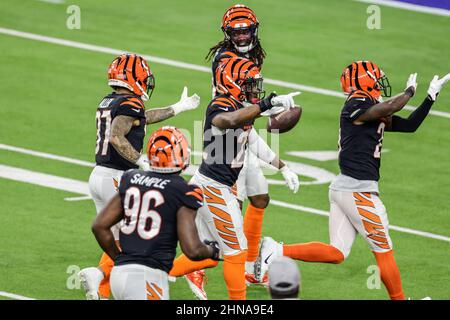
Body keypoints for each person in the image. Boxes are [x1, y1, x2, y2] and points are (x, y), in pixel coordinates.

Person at [256, 60, 450, 300]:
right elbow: (387, 107)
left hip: (345, 188)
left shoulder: (368, 108)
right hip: (358, 191)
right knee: (384, 251)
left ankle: (275, 250)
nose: (380, 84)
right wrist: (409, 92)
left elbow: (409, 125)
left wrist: (430, 97)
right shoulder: (357, 103)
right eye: (376, 80)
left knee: (337, 252)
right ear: (364, 82)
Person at [184, 3, 296, 299]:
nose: (243, 36)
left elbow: (247, 101)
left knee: (257, 197)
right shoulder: (227, 64)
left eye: (247, 30)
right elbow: (230, 111)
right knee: (228, 210)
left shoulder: (246, 61)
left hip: (237, 124)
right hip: (226, 130)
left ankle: (237, 260)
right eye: (237, 31)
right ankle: (201, 262)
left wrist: (281, 162)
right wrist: (263, 107)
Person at [78, 53, 201, 300]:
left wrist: (176, 108)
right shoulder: (129, 104)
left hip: (99, 175)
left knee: (119, 240)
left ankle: (101, 284)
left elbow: (141, 119)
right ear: (134, 78)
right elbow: (116, 135)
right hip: (116, 176)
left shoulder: (110, 101)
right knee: (134, 240)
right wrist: (140, 159)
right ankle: (105, 277)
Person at [91, 126, 221, 300]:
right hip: (149, 276)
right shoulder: (184, 191)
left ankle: (98, 275)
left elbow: (99, 226)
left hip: (119, 275)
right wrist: (213, 251)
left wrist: (118, 258)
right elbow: (192, 250)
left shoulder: (131, 178)